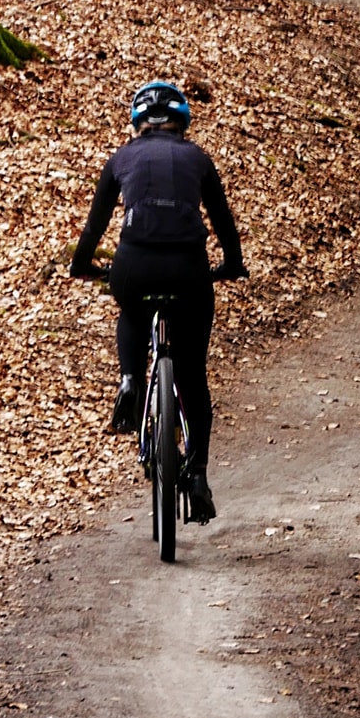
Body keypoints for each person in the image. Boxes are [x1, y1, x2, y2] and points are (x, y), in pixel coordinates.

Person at [70, 79, 245, 521]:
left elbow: (94, 226)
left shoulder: (121, 158)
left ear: (138, 124)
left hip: (136, 264)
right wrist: (232, 264)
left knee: (131, 306)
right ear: (182, 121)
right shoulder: (198, 158)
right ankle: (199, 473)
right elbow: (222, 220)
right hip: (188, 270)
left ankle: (130, 379)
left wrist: (81, 265)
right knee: (193, 377)